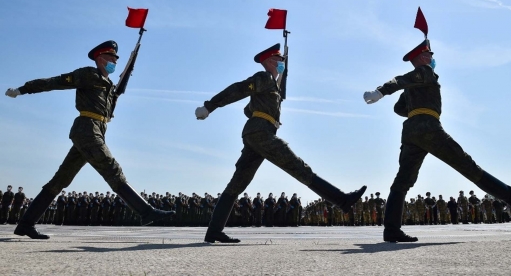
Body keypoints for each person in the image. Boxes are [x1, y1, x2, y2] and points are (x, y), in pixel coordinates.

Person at [363, 34, 511, 242]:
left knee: (402, 180)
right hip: (430, 129)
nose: (432, 57)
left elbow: (399, 108)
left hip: (410, 131)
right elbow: (399, 81)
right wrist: (381, 91)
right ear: (422, 57)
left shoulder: (414, 86)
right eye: (429, 54)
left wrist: (415, 110)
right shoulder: (425, 72)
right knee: (466, 164)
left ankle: (391, 229)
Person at [195, 43, 367, 243]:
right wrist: (210, 106)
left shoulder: (273, 87)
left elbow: (248, 110)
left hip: (257, 133)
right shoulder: (264, 78)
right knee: (298, 167)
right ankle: (342, 200)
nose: (282, 64)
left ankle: (214, 231)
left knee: (237, 183)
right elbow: (239, 89)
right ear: (269, 62)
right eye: (279, 60)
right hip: (261, 133)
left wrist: (259, 112)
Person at [5, 40, 174, 239]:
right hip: (87, 129)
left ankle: (25, 224)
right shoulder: (88, 74)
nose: (114, 61)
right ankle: (146, 211)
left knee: (61, 180)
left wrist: (122, 82)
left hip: (97, 130)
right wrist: (23, 89)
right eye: (111, 57)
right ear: (100, 58)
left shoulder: (109, 85)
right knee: (111, 167)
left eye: (116, 59)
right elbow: (55, 82)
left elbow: (109, 109)